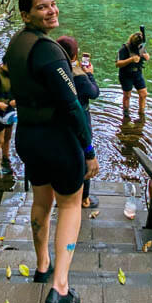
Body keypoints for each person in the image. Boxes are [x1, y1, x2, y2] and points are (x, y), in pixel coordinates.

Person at [5, 0, 99, 303]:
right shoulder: (49, 51)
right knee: (70, 205)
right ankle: (60, 287)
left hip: (28, 138)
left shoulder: (16, 44)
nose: (51, 10)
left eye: (53, 4)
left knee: (41, 201)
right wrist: (88, 149)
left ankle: (42, 264)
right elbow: (72, 106)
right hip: (58, 141)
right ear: (26, 14)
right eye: (42, 7)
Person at [56, 35, 100, 209]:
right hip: (80, 123)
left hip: (59, 125)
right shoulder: (79, 76)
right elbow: (94, 93)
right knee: (84, 160)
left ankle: (61, 194)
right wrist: (90, 75)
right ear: (74, 56)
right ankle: (84, 199)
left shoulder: (53, 72)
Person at [116, 31, 149, 116]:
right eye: (138, 45)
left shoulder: (141, 46)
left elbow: (146, 55)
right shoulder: (124, 49)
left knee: (143, 94)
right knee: (127, 95)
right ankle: (126, 114)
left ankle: (141, 113)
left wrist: (146, 56)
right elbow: (118, 64)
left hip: (138, 73)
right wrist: (131, 59)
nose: (139, 47)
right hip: (126, 75)